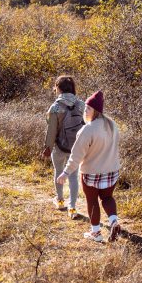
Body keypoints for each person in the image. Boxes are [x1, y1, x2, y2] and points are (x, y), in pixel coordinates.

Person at [56, 90, 126, 243]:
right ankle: (114, 222)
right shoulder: (112, 125)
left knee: (92, 201)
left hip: (91, 173)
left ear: (96, 110)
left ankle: (96, 233)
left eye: (88, 108)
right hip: (112, 171)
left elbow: (76, 155)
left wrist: (65, 173)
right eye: (85, 107)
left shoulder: (87, 130)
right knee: (107, 198)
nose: (85, 110)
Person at [42, 75, 86, 220]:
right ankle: (72, 207)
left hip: (59, 147)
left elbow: (52, 130)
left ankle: (60, 201)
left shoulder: (55, 107)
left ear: (58, 88)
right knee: (74, 176)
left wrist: (48, 146)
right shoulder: (81, 105)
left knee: (59, 171)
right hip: (77, 148)